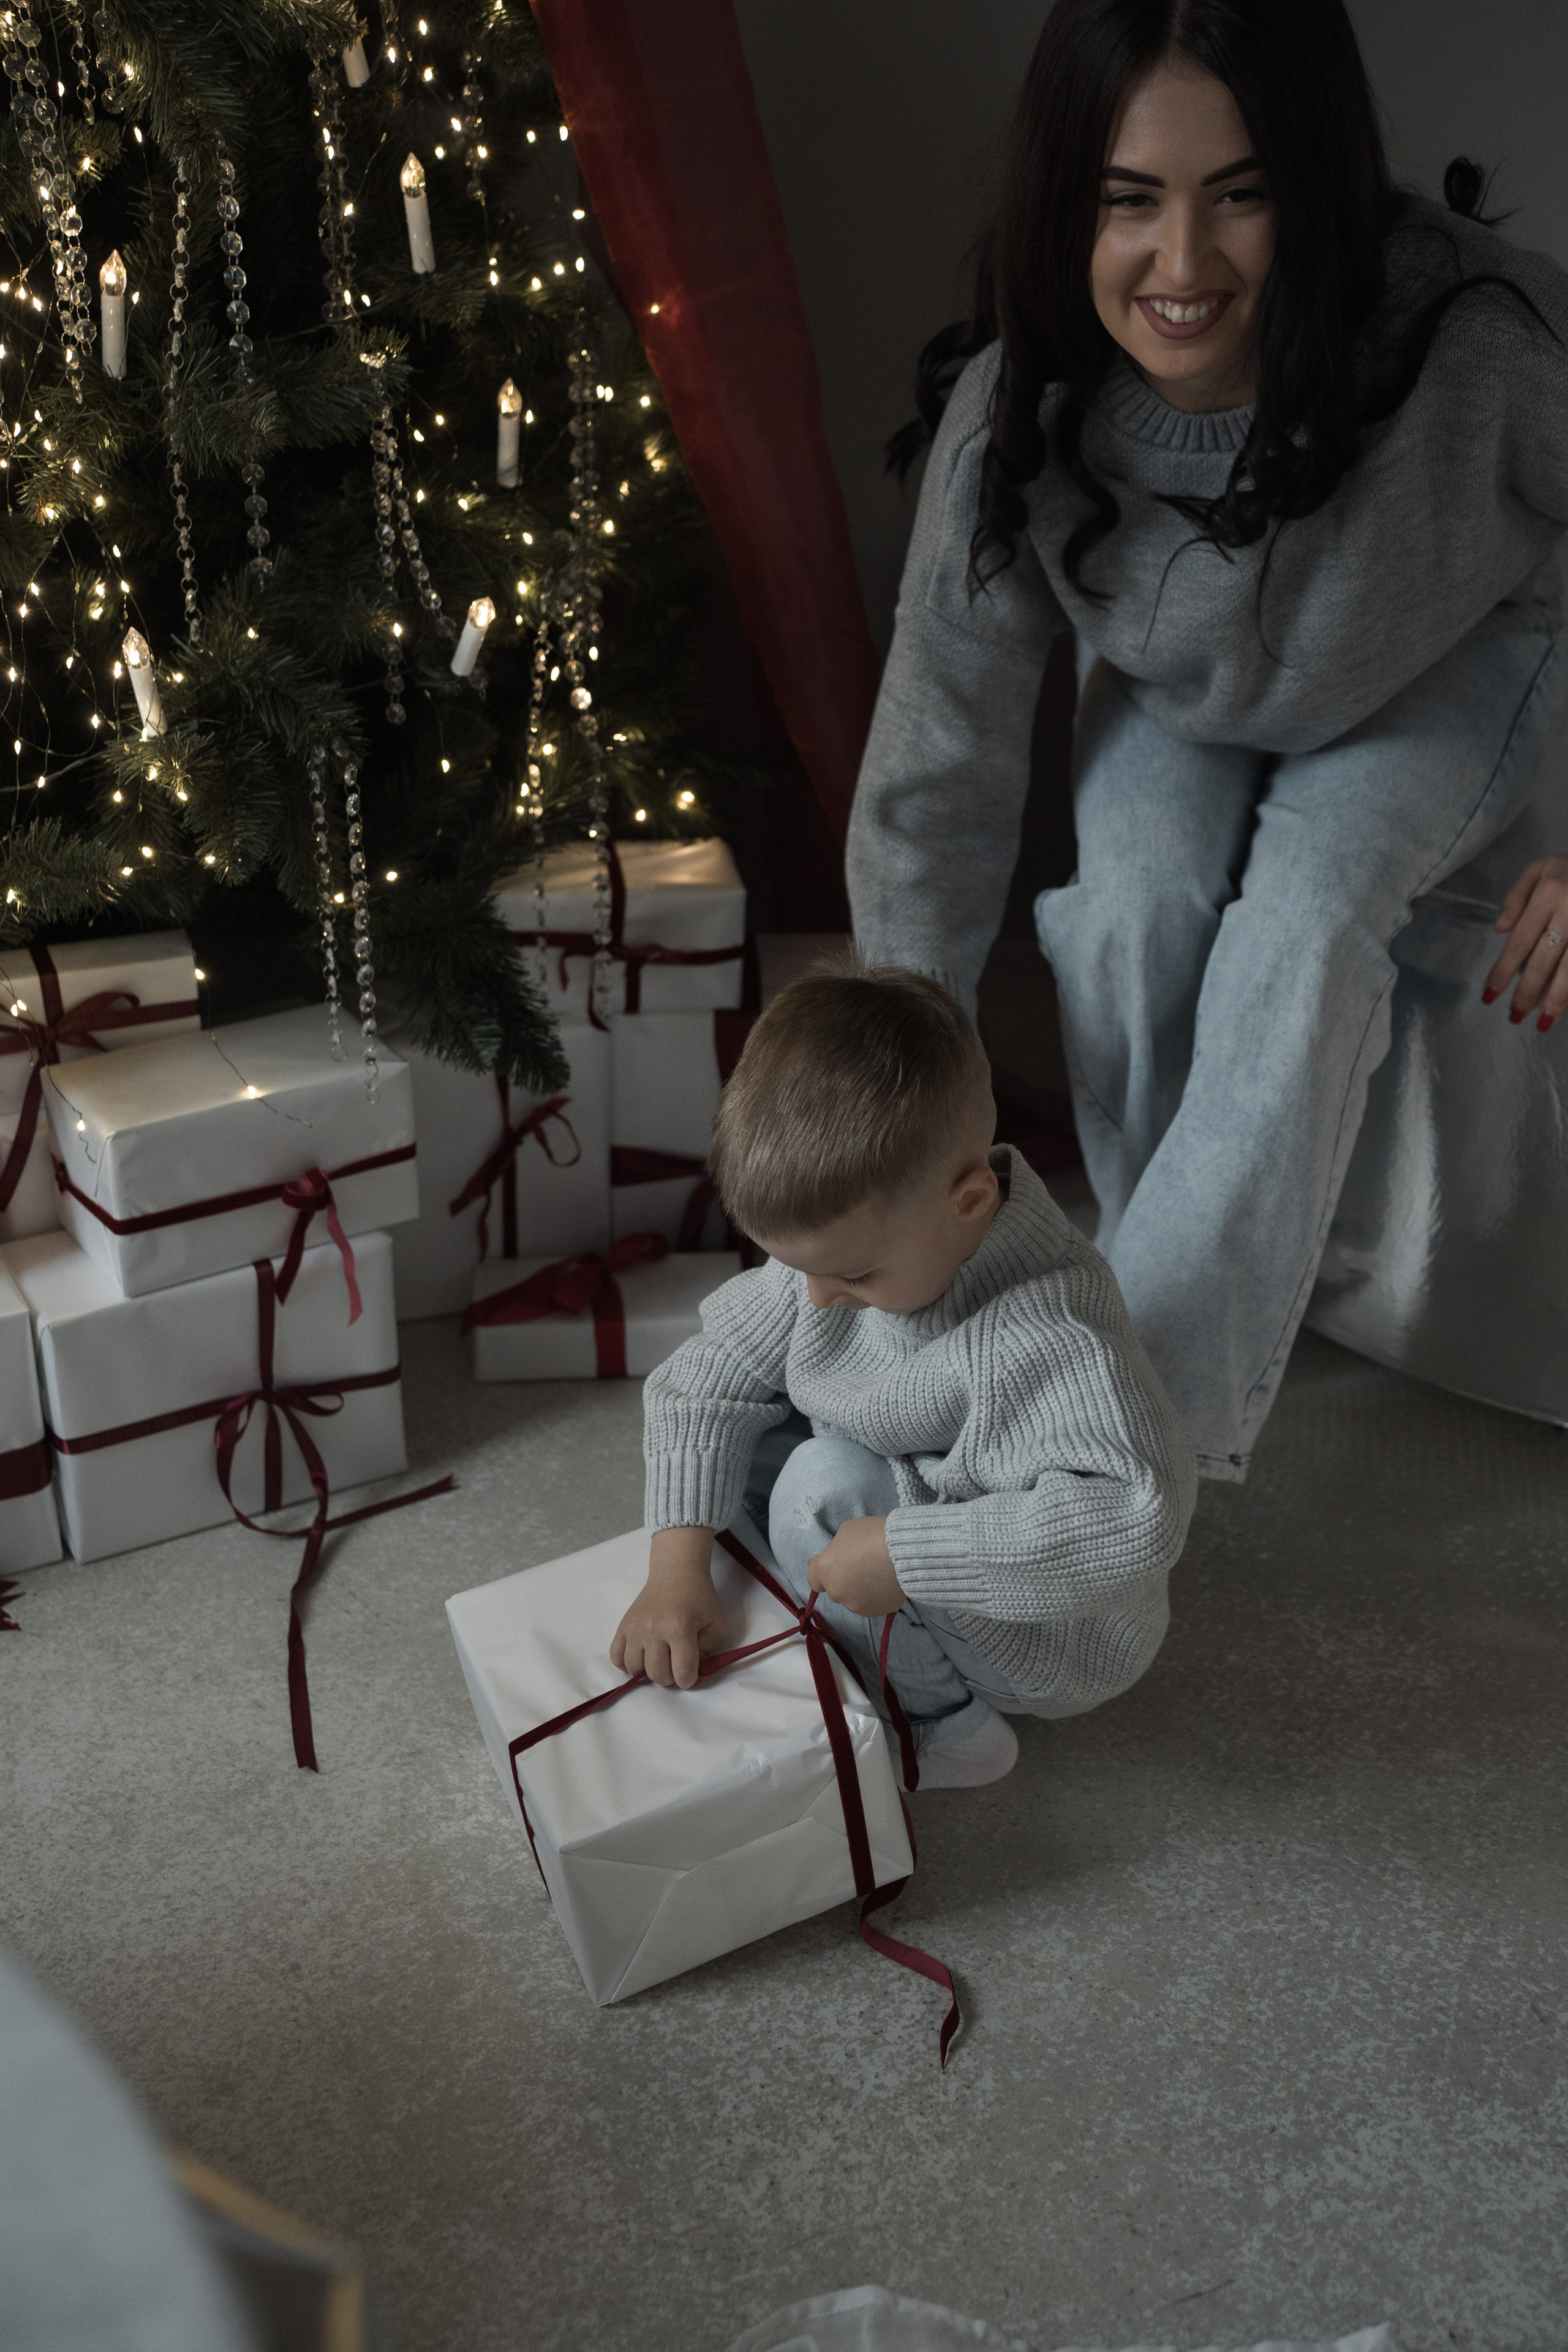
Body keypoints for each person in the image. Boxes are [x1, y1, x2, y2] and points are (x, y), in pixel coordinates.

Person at [846, 0, 1568, 1481]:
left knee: (1299, 931)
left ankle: (1110, 1461)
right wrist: (888, 1111)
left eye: (1241, 195)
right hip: (1186, 693)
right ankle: (1156, 1284)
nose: (1182, 268)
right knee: (1124, 918)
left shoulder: (1480, 343)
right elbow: (937, 776)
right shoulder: (1017, 418)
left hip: (1449, 654)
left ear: (1314, 181)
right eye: (1128, 201)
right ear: (1067, 200)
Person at [611, 965, 1196, 1789]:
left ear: (969, 1201)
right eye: (796, 1268)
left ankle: (946, 1729)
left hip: (1041, 1631)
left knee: (817, 1483)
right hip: (920, 1495)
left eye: (850, 1275)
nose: (817, 1298)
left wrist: (908, 1556)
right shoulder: (860, 1249)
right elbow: (700, 1381)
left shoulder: (1050, 1332)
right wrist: (676, 1570)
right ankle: (804, 1600)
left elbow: (1134, 1522)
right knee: (739, 1422)